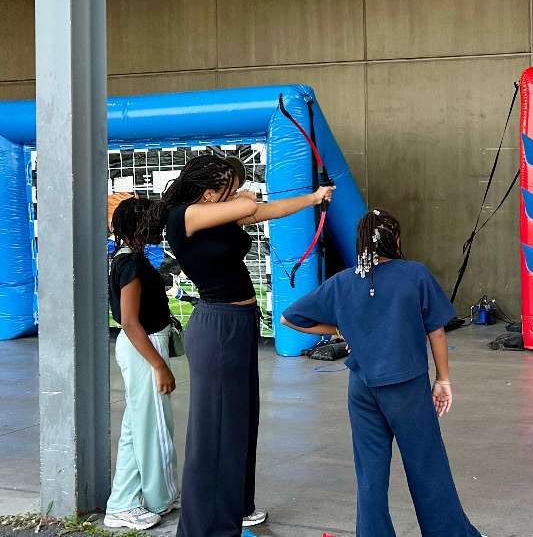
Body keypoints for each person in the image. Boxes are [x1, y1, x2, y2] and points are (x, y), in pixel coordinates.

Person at [139, 153, 333, 537]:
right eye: (229, 185)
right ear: (210, 193)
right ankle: (204, 528)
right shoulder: (186, 216)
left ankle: (236, 510)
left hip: (239, 324)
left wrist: (313, 197)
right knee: (216, 430)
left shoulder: (218, 212)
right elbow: (248, 204)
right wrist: (242, 196)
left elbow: (269, 209)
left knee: (241, 422)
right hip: (218, 327)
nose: (237, 192)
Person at [281, 209, 485, 537]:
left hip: (361, 388)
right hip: (406, 388)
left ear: (360, 241)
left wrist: (339, 330)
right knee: (426, 466)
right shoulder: (415, 275)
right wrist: (443, 379)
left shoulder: (343, 281)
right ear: (396, 239)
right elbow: (436, 331)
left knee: (370, 473)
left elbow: (290, 318)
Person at [103, 197, 179, 532]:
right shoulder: (130, 264)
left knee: (138, 427)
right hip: (143, 347)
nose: (160, 228)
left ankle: (122, 503)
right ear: (141, 226)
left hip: (141, 347)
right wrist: (159, 365)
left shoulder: (126, 258)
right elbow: (130, 322)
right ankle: (157, 498)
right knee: (155, 429)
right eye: (155, 222)